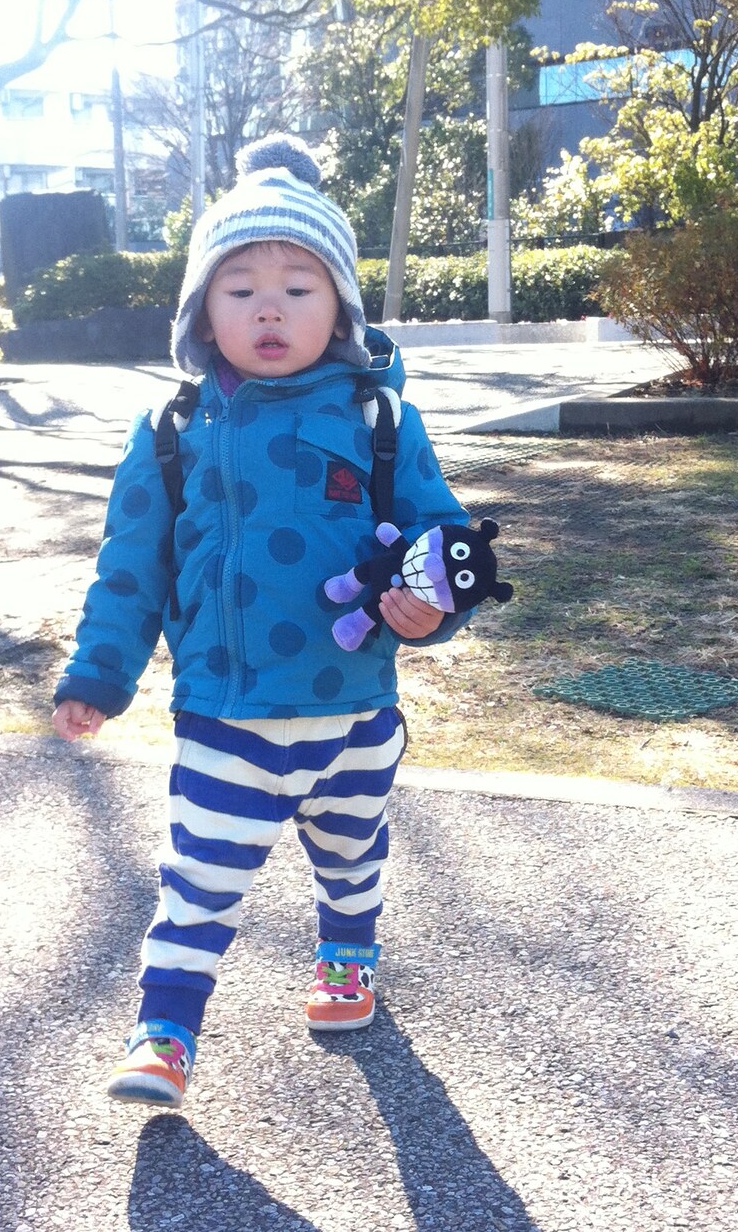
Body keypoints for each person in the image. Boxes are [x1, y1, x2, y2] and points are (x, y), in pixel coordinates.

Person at [52, 135, 475, 1110]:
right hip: (225, 715)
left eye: (298, 286)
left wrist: (430, 608)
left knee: (352, 855)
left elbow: (441, 538)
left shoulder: (379, 421)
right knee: (198, 878)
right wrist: (99, 674)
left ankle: (348, 956)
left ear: (341, 309)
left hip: (354, 712)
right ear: (202, 311)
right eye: (239, 288)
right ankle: (164, 1032)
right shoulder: (173, 431)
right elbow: (130, 569)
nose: (270, 308)